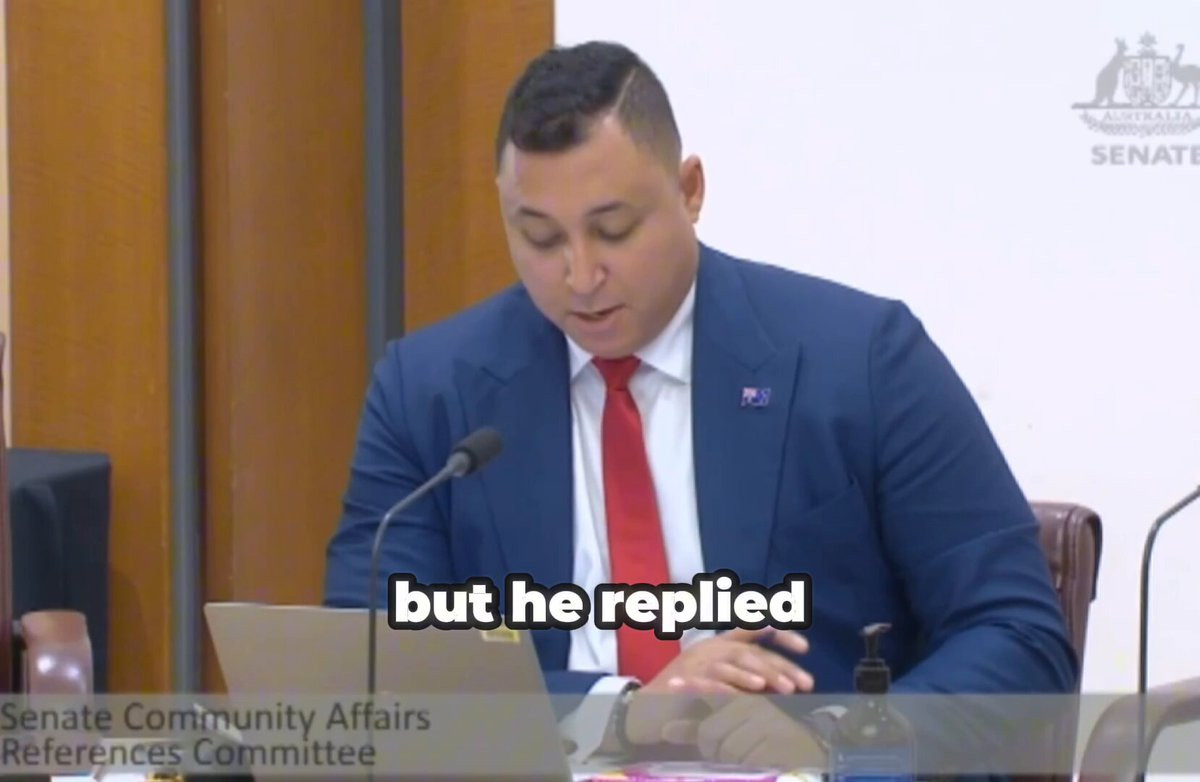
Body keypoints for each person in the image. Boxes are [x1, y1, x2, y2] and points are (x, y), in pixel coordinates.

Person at [324, 40, 1077, 770]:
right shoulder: (429, 391)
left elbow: (1020, 637)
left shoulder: (861, 360)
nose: (579, 275)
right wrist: (620, 712)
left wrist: (837, 741)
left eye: (613, 230)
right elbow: (374, 670)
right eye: (541, 238)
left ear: (690, 191)